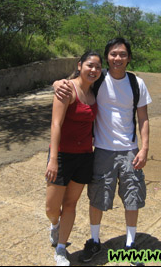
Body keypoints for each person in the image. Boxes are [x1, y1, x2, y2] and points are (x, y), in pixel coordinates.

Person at [53, 38, 152, 264]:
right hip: (102, 150)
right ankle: (95, 241)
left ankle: (130, 244)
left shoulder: (137, 83)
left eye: (123, 54)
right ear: (107, 57)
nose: (118, 58)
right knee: (97, 197)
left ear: (128, 57)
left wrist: (144, 148)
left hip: (130, 150)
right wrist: (57, 83)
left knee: (132, 197)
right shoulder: (98, 79)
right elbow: (74, 84)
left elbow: (143, 118)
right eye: (113, 54)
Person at [45, 51, 102, 266]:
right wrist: (53, 158)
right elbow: (56, 124)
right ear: (79, 65)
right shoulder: (67, 89)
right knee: (52, 208)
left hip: (85, 157)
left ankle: (61, 249)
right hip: (61, 156)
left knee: (70, 204)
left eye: (98, 67)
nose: (94, 70)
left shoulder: (96, 90)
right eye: (90, 65)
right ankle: (55, 224)